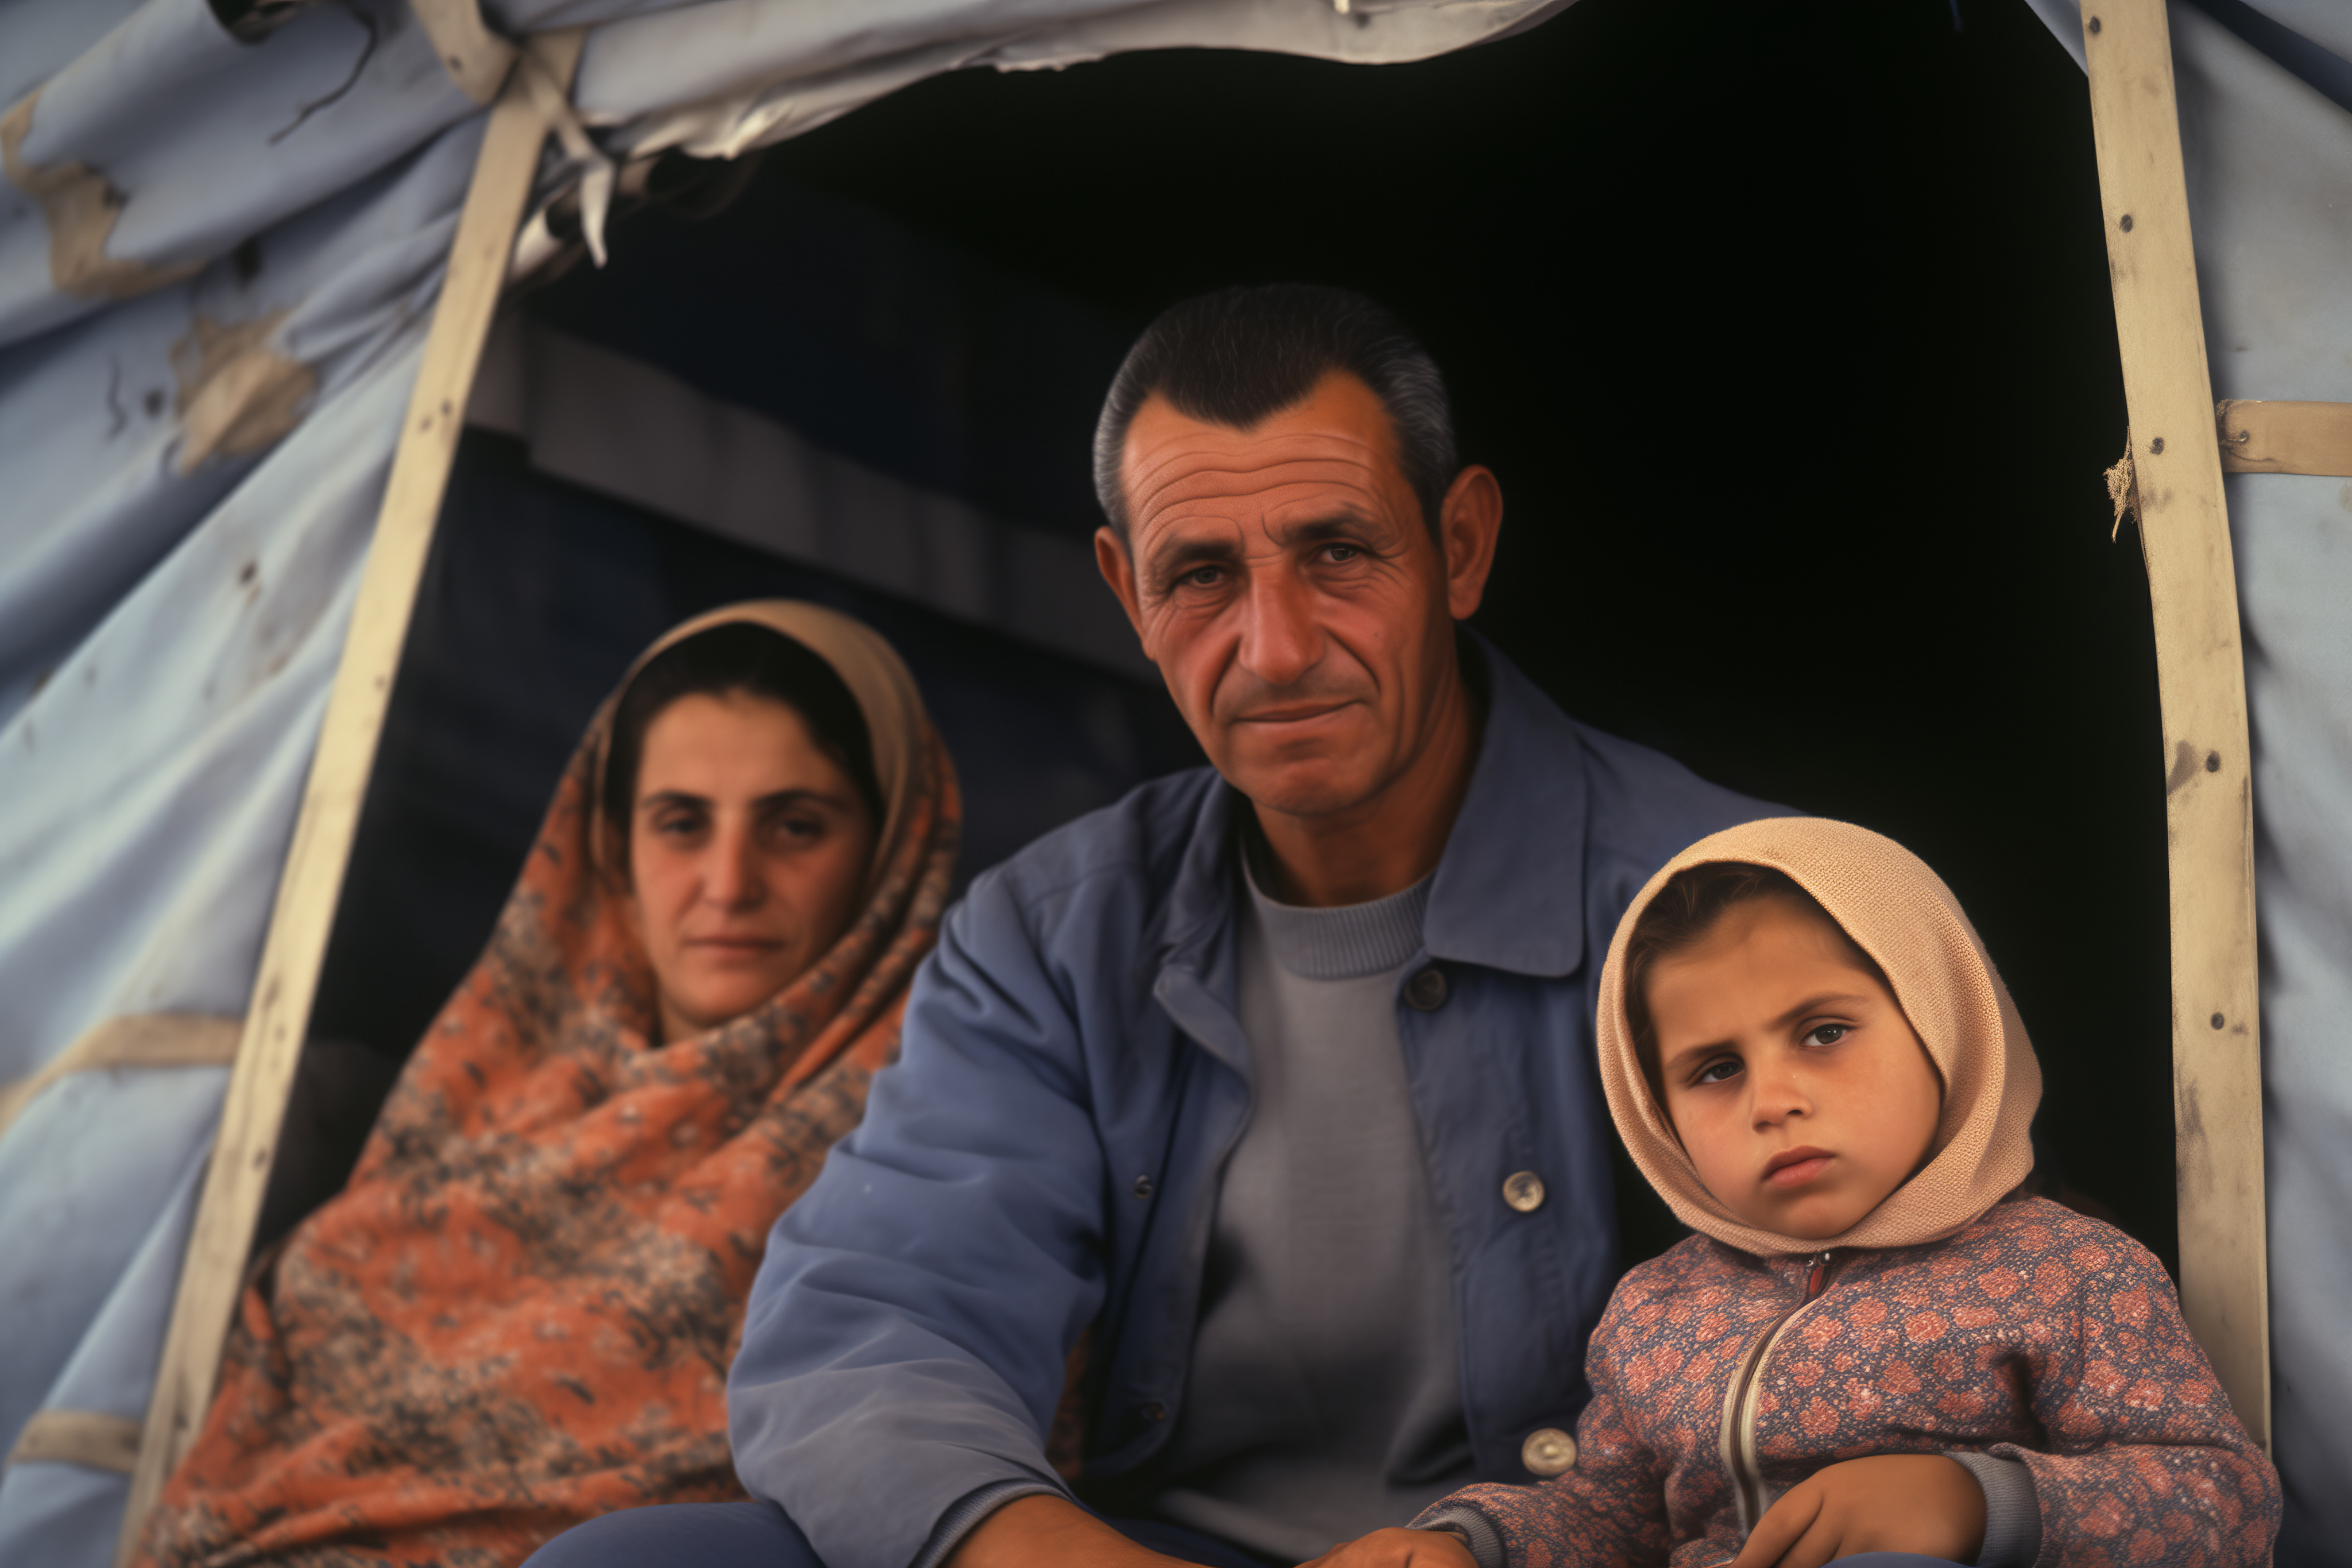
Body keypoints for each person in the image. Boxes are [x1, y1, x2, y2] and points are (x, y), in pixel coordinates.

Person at [526, 284, 1777, 1568]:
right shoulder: (1053, 938)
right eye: (1199, 575)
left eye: (1337, 552)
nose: (1274, 648)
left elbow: (1917, 1326)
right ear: (1125, 592)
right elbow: (877, 1326)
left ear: (1459, 547)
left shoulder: (1725, 900)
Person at [131, 602, 960, 1568]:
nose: (729, 882)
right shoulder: (488, 1082)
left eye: (797, 826)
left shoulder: (941, 1128)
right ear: (611, 847)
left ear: (892, 849)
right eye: (682, 823)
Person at [1313, 817, 2281, 1568]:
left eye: (1823, 1032)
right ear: (1656, 1111)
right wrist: (1469, 1543)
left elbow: (2226, 1504)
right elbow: (1612, 1520)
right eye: (1714, 1069)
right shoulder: (1658, 1310)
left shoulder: (2070, 1272)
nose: (1773, 1101)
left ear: (1940, 1017)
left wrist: (1978, 1502)